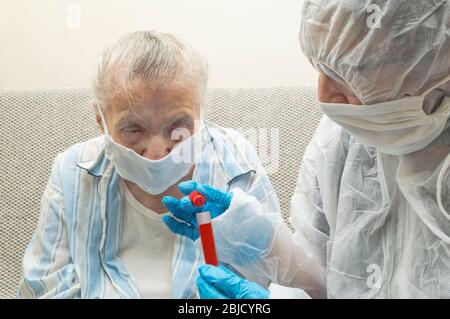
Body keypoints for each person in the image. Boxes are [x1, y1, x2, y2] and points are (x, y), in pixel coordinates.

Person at [163, 0, 450, 298]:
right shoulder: (341, 135)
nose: (323, 95)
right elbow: (328, 279)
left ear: (436, 59)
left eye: (355, 71)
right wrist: (258, 241)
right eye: (321, 67)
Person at [17, 31, 282, 298]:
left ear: (200, 111)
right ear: (101, 120)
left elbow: (270, 273)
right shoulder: (73, 171)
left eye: (178, 126)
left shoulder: (234, 160)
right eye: (133, 128)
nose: (156, 153)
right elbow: (42, 289)